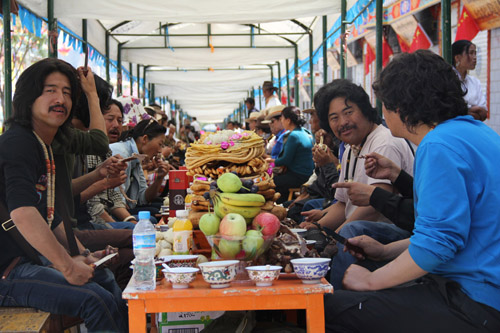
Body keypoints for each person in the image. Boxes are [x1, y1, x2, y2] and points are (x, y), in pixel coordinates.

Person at [324, 50, 500, 332]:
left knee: (327, 310)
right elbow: (451, 234)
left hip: (474, 302)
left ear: (402, 108)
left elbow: (438, 245)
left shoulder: (438, 144)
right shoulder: (479, 133)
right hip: (477, 292)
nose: (382, 113)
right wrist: (384, 251)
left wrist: (371, 281)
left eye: (384, 104)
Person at [0, 58, 127, 332]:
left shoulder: (42, 143)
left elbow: (51, 214)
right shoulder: (18, 142)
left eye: (67, 92)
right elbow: (23, 213)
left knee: (103, 276)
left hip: (29, 259)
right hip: (8, 271)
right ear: (28, 97)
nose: (61, 99)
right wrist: (68, 267)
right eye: (50, 90)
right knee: (96, 301)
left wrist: (81, 254)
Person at [300, 79, 414, 234]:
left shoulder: (383, 142)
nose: (343, 123)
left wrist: (334, 237)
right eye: (334, 118)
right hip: (360, 228)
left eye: (348, 112)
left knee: (350, 231)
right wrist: (318, 228)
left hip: (395, 232)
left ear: (365, 110)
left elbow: (372, 208)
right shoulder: (350, 148)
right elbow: (343, 205)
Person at [110, 119, 169, 218]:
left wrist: (159, 178)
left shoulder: (137, 157)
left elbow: (143, 198)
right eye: (160, 144)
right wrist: (131, 222)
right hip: (113, 212)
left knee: (159, 208)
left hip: (126, 206)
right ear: (145, 139)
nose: (160, 151)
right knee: (152, 217)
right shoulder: (122, 154)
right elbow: (116, 203)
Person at [270, 106, 314, 204]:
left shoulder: (294, 136)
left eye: (282, 118)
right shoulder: (307, 133)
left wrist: (271, 161)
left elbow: (285, 160)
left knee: (271, 182)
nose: (281, 121)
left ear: (288, 120)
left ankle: (279, 205)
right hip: (308, 175)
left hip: (299, 176)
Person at [452, 40, 488, 121]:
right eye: (471, 53)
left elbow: (483, 111)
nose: (475, 57)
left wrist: (466, 111)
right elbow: (451, 111)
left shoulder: (475, 82)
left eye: (475, 53)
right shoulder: (448, 80)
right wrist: (471, 110)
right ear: (457, 58)